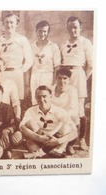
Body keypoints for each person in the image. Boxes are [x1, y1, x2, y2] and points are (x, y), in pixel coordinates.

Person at [60, 16, 93, 150]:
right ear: (67, 28)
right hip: (65, 77)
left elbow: (91, 64)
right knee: (66, 108)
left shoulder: (86, 43)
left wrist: (83, 79)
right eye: (70, 27)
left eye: (75, 27)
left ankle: (82, 139)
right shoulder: (63, 44)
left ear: (80, 28)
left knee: (79, 109)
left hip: (79, 75)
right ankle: (69, 142)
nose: (73, 30)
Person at [20, 85, 77, 159]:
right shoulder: (31, 110)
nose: (41, 99)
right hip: (39, 138)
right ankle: (48, 154)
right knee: (29, 123)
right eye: (39, 97)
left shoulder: (60, 111)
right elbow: (21, 127)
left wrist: (58, 141)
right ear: (35, 97)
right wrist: (39, 137)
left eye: (44, 96)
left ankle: (53, 152)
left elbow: (75, 132)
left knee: (66, 126)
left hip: (55, 139)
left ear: (51, 96)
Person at [0, 13, 33, 101]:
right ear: (3, 24)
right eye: (7, 22)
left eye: (11, 22)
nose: (9, 25)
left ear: (16, 24)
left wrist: (20, 70)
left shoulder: (22, 40)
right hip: (3, 74)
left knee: (17, 100)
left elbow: (29, 60)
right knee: (3, 99)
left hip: (17, 73)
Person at [30, 20, 61, 105]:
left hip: (48, 76)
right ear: (36, 31)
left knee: (46, 100)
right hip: (35, 76)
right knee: (35, 100)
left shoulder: (53, 47)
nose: (42, 34)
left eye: (45, 31)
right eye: (40, 31)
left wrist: (55, 82)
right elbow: (29, 66)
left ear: (48, 32)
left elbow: (57, 67)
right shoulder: (31, 47)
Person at [51, 68, 79, 154]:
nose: (62, 81)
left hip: (67, 120)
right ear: (56, 79)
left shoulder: (72, 91)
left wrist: (60, 117)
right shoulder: (50, 89)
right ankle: (58, 145)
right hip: (52, 119)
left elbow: (72, 110)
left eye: (65, 78)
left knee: (67, 122)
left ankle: (64, 147)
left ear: (69, 80)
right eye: (59, 78)